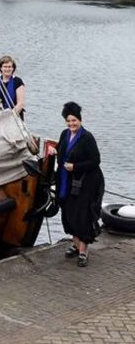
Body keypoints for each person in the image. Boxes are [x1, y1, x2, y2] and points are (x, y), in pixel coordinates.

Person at [55, 102, 104, 268]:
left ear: (80, 120)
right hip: (66, 181)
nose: (71, 124)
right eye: (68, 121)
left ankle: (83, 251)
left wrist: (75, 167)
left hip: (85, 183)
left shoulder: (87, 138)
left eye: (74, 120)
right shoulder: (64, 134)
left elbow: (96, 160)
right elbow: (60, 152)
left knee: (82, 216)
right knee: (68, 214)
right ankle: (76, 244)